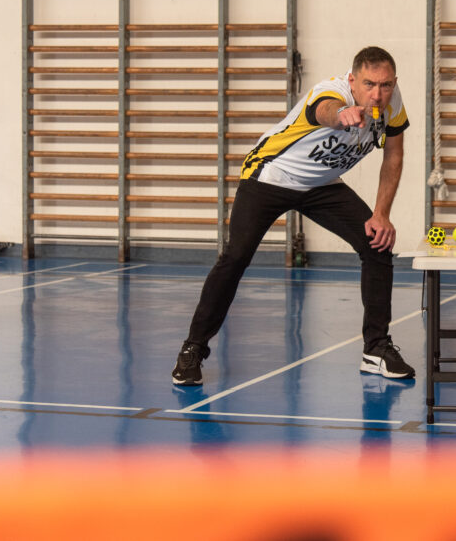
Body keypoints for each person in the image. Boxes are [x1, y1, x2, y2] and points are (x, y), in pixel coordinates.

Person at [172, 46, 415, 385]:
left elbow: (394, 154)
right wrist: (342, 114)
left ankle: (376, 349)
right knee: (236, 257)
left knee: (376, 242)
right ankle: (192, 350)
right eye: (369, 84)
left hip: (321, 185)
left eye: (385, 85)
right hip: (271, 176)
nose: (377, 94)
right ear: (352, 80)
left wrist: (381, 214)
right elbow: (324, 110)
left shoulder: (391, 101)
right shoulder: (331, 93)